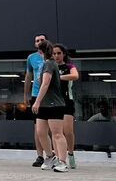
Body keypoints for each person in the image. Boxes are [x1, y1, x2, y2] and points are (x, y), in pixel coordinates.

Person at [31, 40, 69, 172]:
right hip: (45, 104)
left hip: (55, 104)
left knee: (57, 133)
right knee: (41, 132)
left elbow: (45, 84)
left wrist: (37, 101)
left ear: (40, 52)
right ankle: (49, 156)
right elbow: (44, 82)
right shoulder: (47, 65)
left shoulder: (49, 64)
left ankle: (63, 162)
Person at [23, 34, 51, 167]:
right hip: (36, 94)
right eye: (37, 41)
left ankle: (54, 154)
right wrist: (25, 94)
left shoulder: (53, 56)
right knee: (38, 127)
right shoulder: (31, 58)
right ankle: (40, 155)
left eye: (42, 40)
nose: (39, 42)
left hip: (51, 95)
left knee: (53, 126)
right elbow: (28, 76)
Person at [52, 44, 79, 170]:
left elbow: (75, 76)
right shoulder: (50, 67)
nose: (56, 56)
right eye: (54, 53)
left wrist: (59, 77)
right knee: (56, 131)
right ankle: (58, 157)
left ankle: (71, 153)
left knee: (68, 131)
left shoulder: (69, 66)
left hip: (67, 101)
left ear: (63, 54)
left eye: (59, 53)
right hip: (53, 102)